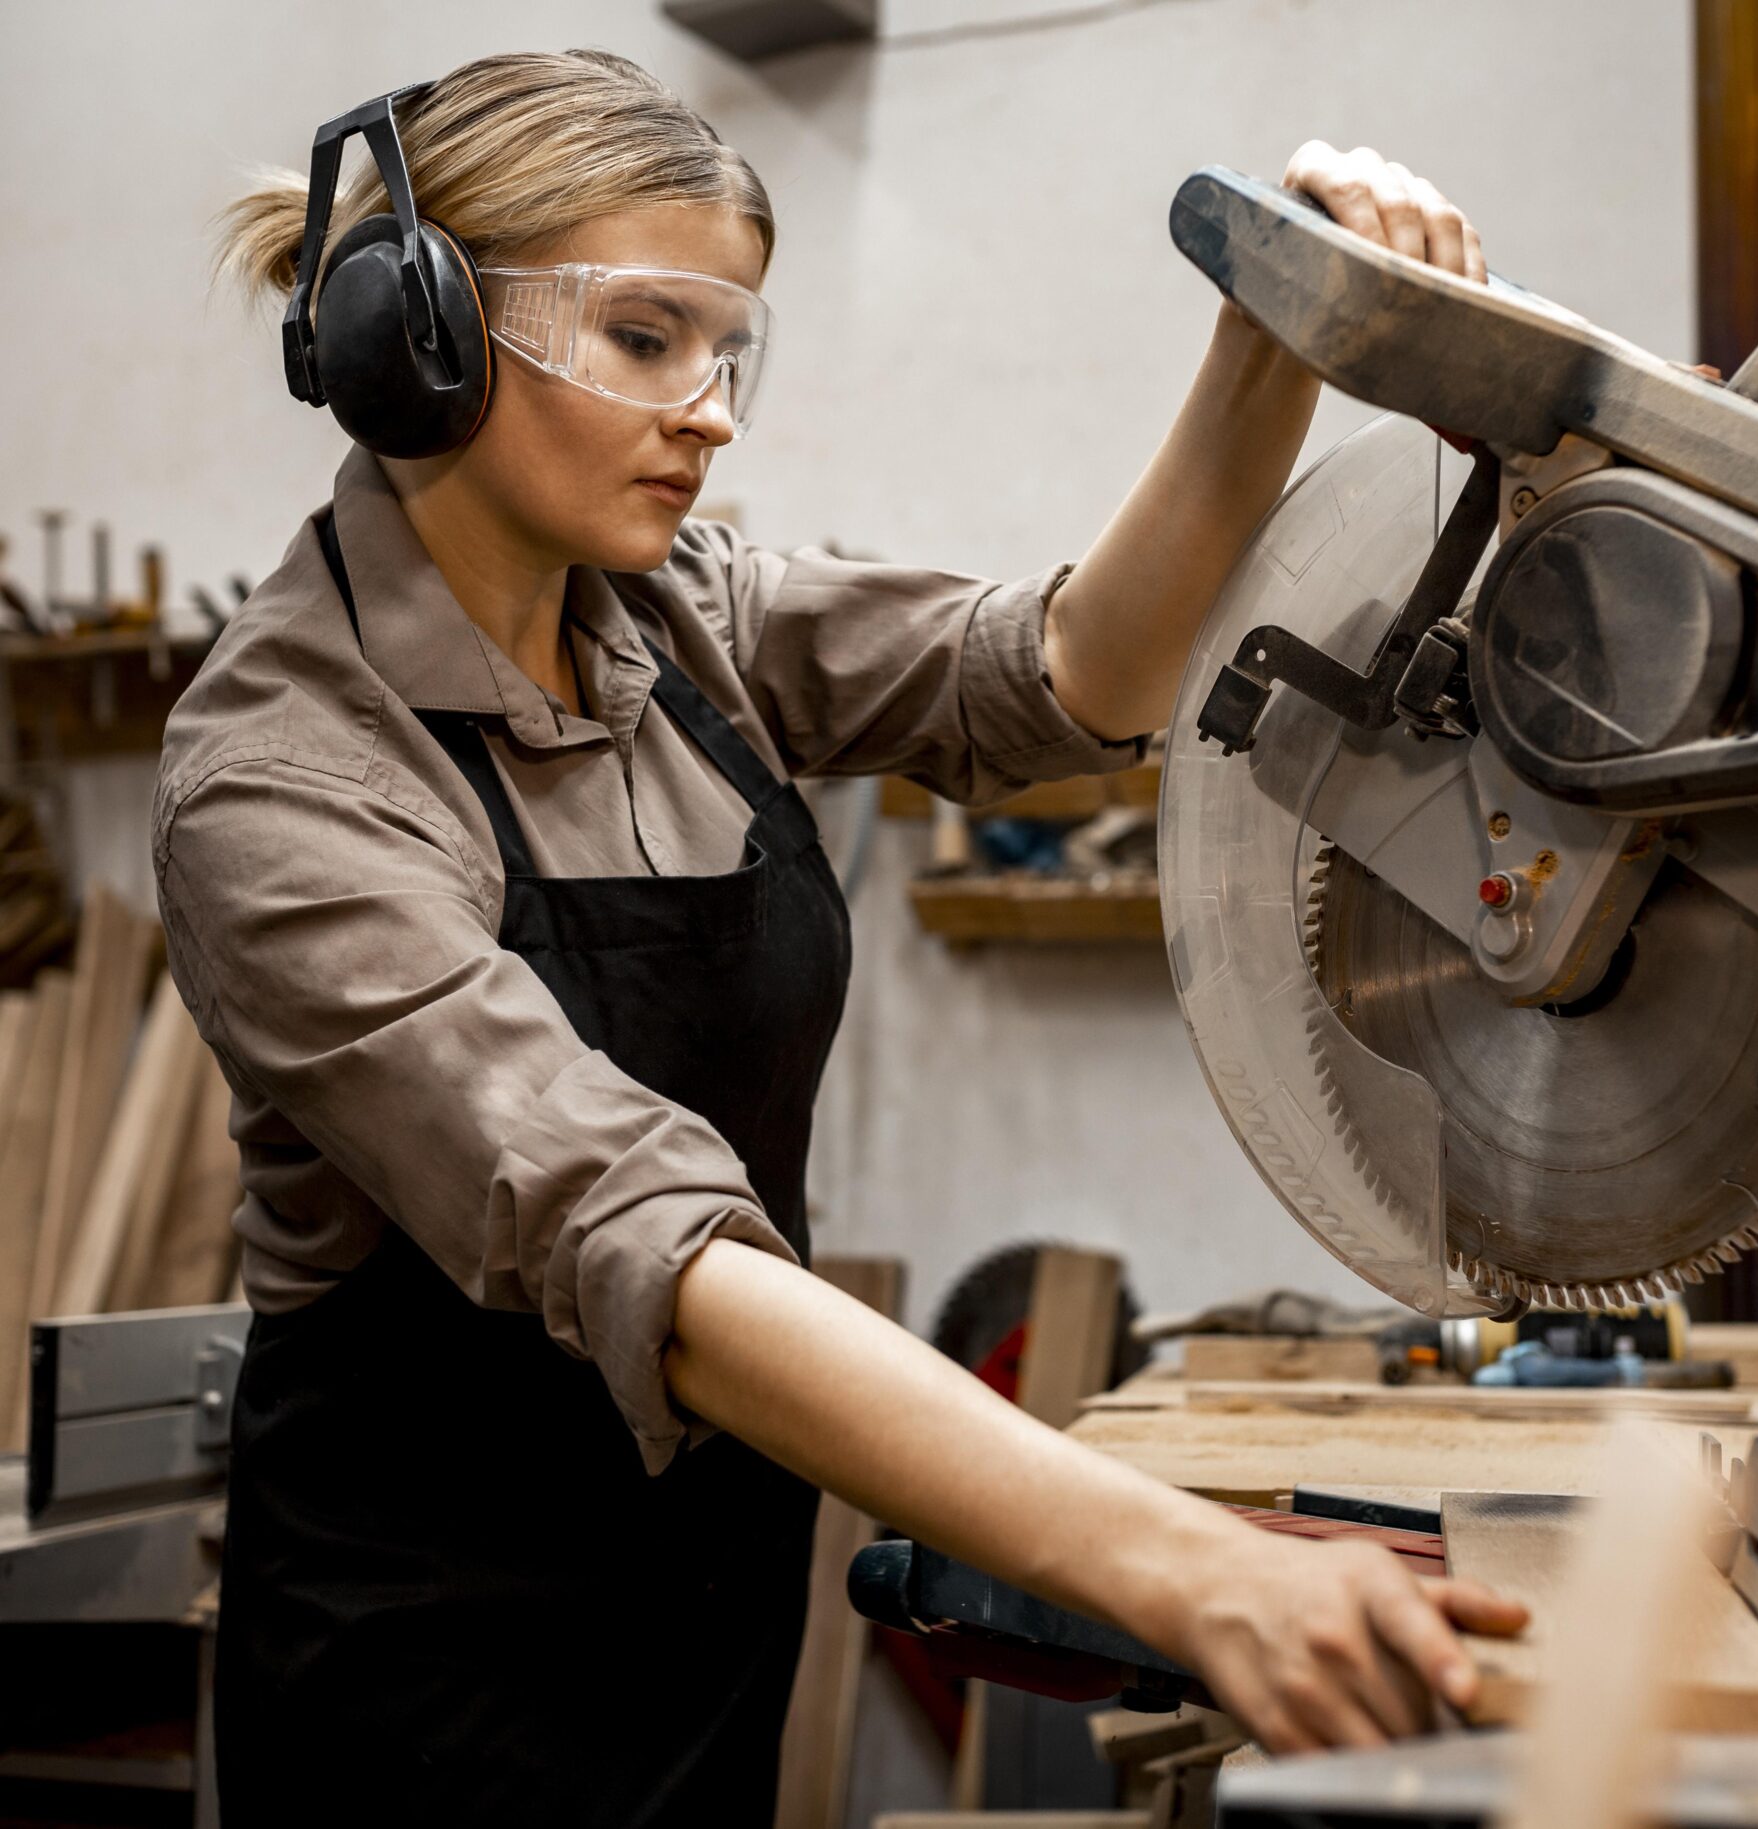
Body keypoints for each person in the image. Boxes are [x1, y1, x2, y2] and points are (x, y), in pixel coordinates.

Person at [167, 47, 1523, 1825]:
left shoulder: (683, 623)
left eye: (728, 348)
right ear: (417, 335)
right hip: (420, 1685)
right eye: (643, 337)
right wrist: (1183, 1563)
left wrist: (1270, 340)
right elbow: (632, 1230)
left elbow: (1068, 674)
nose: (711, 410)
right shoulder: (284, 777)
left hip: (704, 1617)